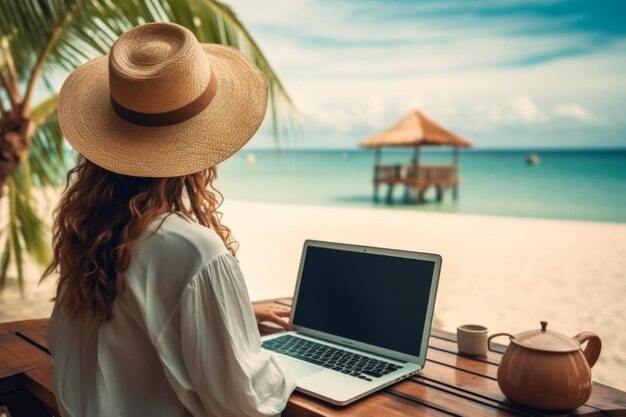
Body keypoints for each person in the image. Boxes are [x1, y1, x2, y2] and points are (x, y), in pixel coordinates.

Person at [42, 22, 296, 417]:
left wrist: (235, 315)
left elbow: (107, 333)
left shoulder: (90, 234)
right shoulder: (194, 251)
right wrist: (297, 364)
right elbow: (246, 403)